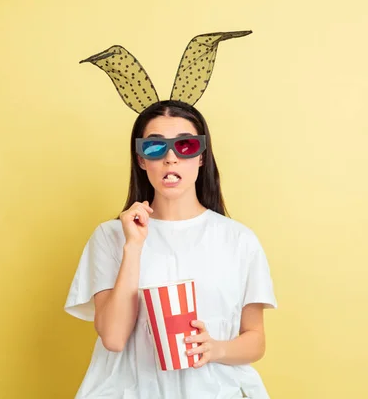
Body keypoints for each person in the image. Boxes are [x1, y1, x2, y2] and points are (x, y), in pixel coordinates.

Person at [64, 32, 278, 399]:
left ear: (201, 156)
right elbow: (113, 338)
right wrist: (133, 246)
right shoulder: (110, 236)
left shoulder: (238, 240)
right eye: (155, 145)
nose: (170, 157)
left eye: (185, 144)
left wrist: (215, 348)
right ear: (141, 159)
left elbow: (255, 339)